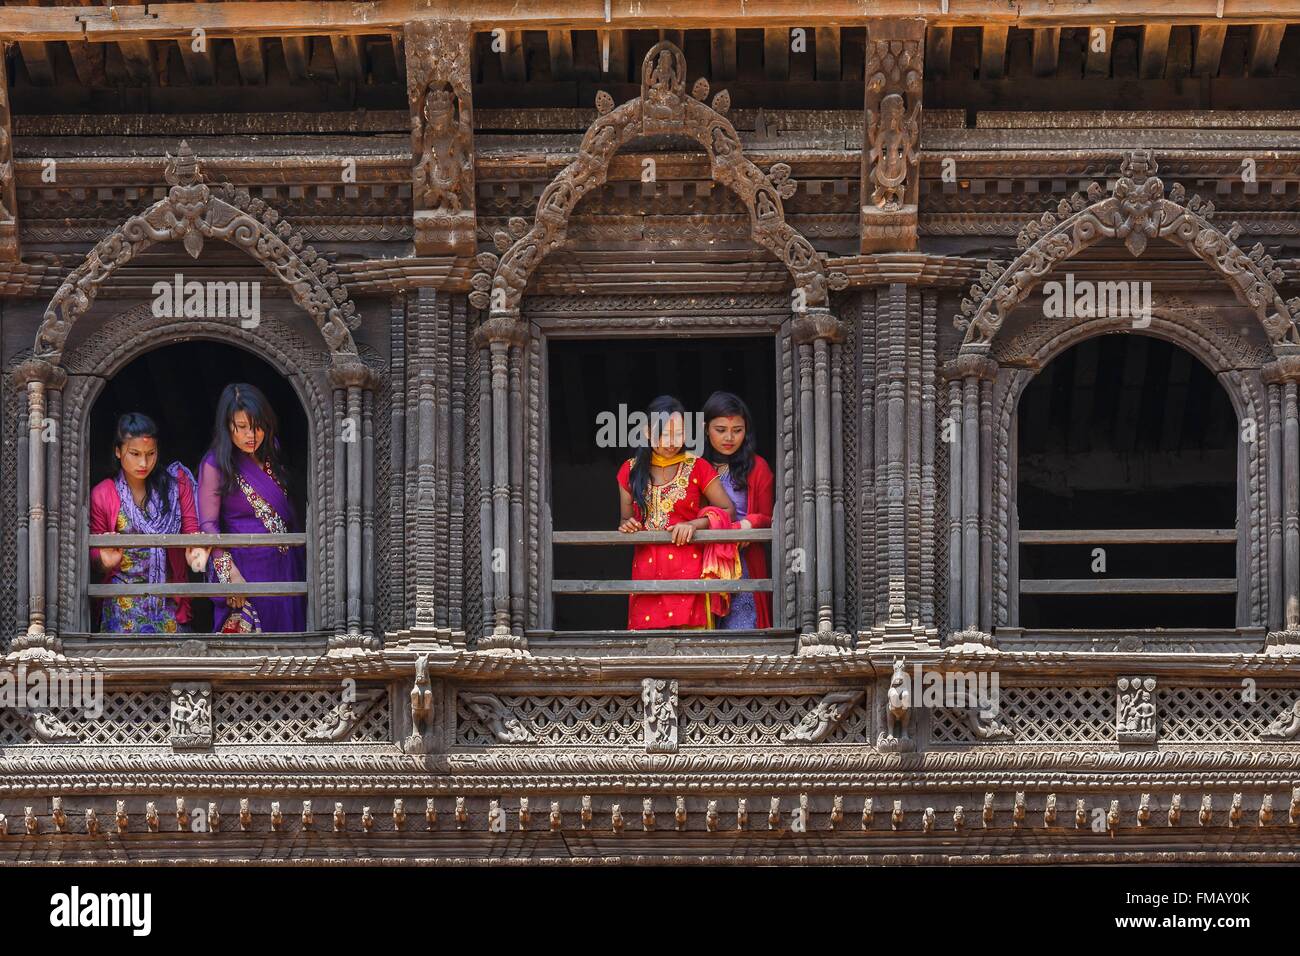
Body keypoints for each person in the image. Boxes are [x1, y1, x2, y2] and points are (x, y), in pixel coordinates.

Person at [616, 395, 735, 630]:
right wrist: (628, 525)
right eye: (665, 434)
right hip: (646, 576)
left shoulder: (697, 466)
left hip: (689, 575)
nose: (672, 442)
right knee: (647, 655)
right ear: (648, 432)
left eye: (679, 434)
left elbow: (727, 510)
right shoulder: (630, 470)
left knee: (692, 653)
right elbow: (625, 518)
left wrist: (694, 525)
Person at [197, 383, 306, 633]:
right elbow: (208, 526)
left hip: (285, 566)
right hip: (245, 569)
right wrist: (231, 576)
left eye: (258, 426)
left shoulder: (272, 450)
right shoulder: (214, 465)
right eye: (242, 427)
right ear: (227, 427)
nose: (251, 435)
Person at [89, 413, 204, 634]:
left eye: (151, 454)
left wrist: (196, 552)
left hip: (168, 598)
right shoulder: (103, 493)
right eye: (135, 454)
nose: (144, 463)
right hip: (122, 602)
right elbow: (95, 557)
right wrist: (104, 559)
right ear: (118, 451)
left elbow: (192, 533)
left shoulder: (176, 486)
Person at [700, 391, 774, 629]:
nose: (729, 437)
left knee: (743, 630)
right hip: (704, 562)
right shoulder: (696, 468)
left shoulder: (758, 467)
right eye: (720, 430)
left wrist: (748, 524)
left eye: (737, 430)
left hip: (744, 561)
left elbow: (771, 517)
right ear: (705, 428)